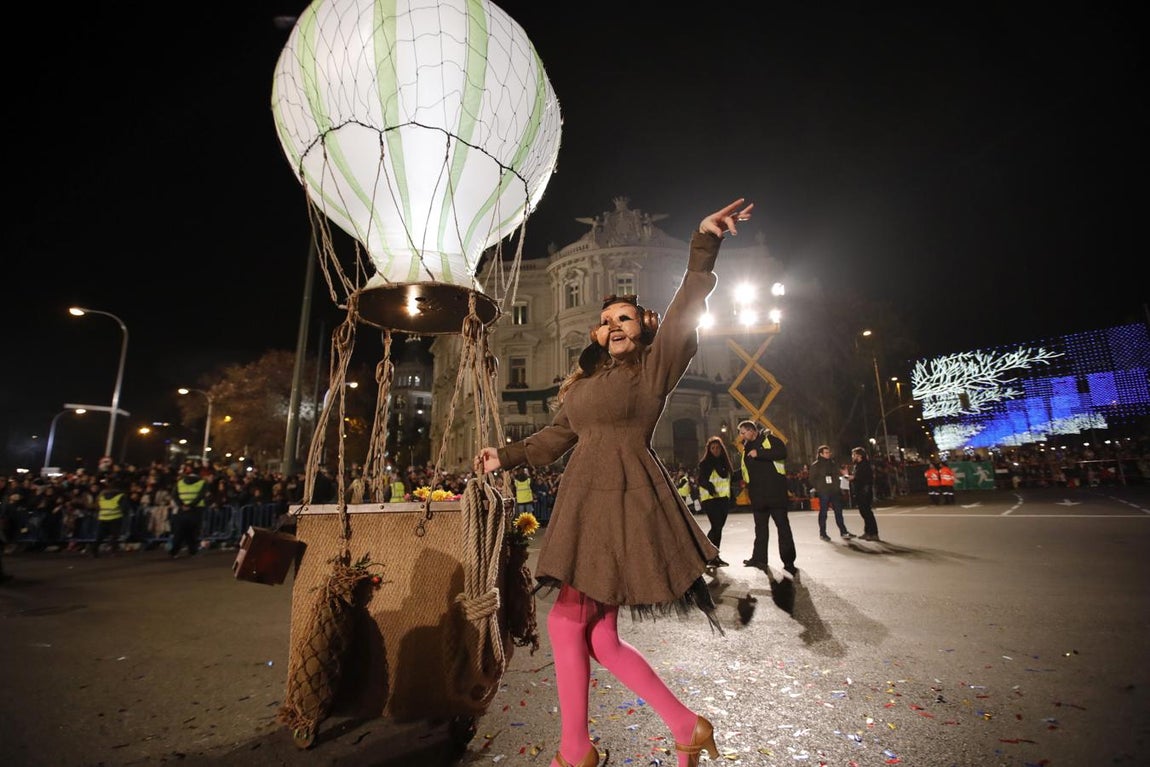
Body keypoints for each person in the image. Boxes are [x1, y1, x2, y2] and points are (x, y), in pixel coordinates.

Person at [476, 198, 752, 767]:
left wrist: (705, 242)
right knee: (598, 638)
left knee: (564, 621)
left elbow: (685, 305)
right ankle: (687, 725)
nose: (613, 326)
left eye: (625, 317)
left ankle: (575, 752)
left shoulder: (652, 370)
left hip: (625, 498)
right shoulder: (581, 385)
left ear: (644, 327)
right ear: (598, 335)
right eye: (606, 321)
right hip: (584, 497)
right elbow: (553, 438)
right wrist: (501, 456)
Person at [736, 420, 796, 577]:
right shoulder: (746, 449)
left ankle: (788, 561)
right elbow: (745, 472)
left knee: (783, 528)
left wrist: (760, 453)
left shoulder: (771, 440)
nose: (741, 436)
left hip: (776, 494)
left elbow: (782, 453)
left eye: (743, 432)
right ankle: (759, 558)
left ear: (752, 431)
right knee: (760, 530)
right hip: (758, 496)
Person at [695, 436, 734, 566]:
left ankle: (713, 556)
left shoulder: (725, 463)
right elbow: (701, 480)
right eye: (713, 448)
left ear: (722, 449)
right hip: (711, 499)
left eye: (718, 447)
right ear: (709, 449)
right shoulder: (705, 463)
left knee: (718, 528)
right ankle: (706, 554)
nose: (715, 450)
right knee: (716, 527)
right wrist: (709, 486)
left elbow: (729, 479)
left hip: (723, 499)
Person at [808, 445, 853, 541]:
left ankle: (843, 531)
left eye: (829, 452)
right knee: (823, 512)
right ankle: (823, 533)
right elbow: (811, 479)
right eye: (826, 452)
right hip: (824, 491)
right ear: (821, 454)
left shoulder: (832, 463)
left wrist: (839, 482)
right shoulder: (815, 465)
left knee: (839, 511)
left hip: (834, 491)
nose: (829, 454)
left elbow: (838, 474)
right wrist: (819, 488)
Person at [171, 465, 209, 558]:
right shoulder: (202, 483)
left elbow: (174, 495)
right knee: (193, 532)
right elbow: (201, 496)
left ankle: (174, 551)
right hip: (196, 510)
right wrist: (191, 505)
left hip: (182, 510)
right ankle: (192, 551)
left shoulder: (180, 483)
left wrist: (182, 505)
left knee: (180, 531)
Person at [848, 447, 880, 540]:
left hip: (864, 491)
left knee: (867, 513)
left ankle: (874, 533)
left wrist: (852, 478)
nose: (852, 457)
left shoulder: (864, 465)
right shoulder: (858, 465)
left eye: (854, 455)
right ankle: (867, 532)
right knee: (864, 512)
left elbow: (862, 477)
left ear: (859, 455)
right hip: (860, 490)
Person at [91, 481, 129, 557]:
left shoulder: (101, 495)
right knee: (114, 536)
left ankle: (94, 551)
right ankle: (113, 551)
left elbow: (97, 506)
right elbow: (124, 508)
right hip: (116, 517)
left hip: (103, 517)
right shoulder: (121, 495)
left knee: (100, 536)